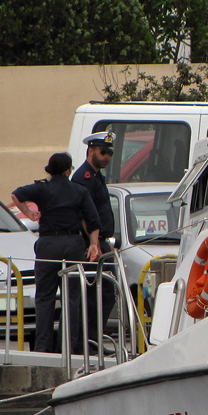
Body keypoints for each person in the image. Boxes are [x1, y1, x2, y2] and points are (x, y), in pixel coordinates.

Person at [12, 153, 100, 353]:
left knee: (44, 297)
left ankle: (43, 347)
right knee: (72, 298)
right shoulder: (79, 190)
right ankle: (67, 346)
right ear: (68, 170)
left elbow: (16, 195)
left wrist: (29, 213)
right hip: (72, 244)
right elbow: (92, 219)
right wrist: (94, 244)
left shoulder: (42, 188)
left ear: (49, 169)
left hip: (48, 244)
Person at [72, 130, 117, 350]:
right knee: (96, 295)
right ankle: (88, 342)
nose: (107, 156)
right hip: (93, 244)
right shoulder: (84, 177)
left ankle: (94, 340)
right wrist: (95, 243)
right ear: (91, 151)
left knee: (105, 293)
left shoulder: (96, 175)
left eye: (109, 152)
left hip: (102, 242)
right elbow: (83, 214)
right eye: (103, 151)